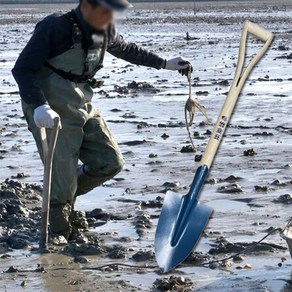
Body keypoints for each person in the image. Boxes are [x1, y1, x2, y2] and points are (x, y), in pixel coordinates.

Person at [12, 0, 193, 240]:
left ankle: (64, 190)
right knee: (61, 177)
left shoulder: (104, 31)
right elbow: (21, 69)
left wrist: (164, 64)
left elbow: (128, 50)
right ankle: (59, 236)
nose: (111, 16)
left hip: (81, 103)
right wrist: (39, 106)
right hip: (50, 108)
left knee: (110, 162)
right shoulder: (54, 28)